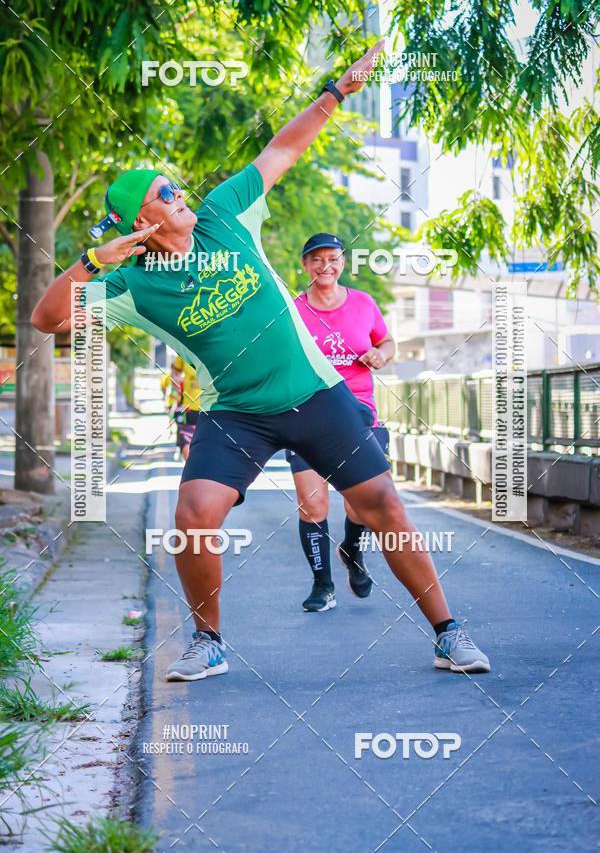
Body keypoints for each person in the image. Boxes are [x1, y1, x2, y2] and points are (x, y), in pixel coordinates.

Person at [31, 40, 490, 680]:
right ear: (142, 218)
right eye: (166, 191)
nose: (180, 190)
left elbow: (281, 150)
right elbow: (46, 318)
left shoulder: (223, 216)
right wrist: (92, 260)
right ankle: (208, 641)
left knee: (383, 501)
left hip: (314, 394)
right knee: (193, 515)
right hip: (237, 414)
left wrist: (337, 92)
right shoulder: (131, 284)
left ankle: (448, 631)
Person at [286, 233, 395, 612]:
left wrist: (380, 355)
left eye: (332, 258)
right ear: (305, 265)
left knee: (360, 506)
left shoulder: (363, 303)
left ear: (343, 262)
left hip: (358, 412)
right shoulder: (294, 310)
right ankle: (323, 585)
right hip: (306, 413)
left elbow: (387, 342)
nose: (325, 266)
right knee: (313, 505)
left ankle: (351, 550)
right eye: (316, 260)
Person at [170, 356, 202, 461]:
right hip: (188, 410)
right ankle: (192, 472)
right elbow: (175, 371)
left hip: (212, 412)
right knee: (188, 449)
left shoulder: (218, 349)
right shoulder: (185, 352)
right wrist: (176, 380)